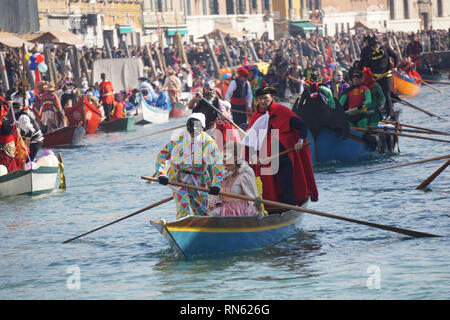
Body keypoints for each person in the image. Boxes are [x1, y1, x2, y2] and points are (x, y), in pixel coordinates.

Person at [243, 86, 318, 212]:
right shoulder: (257, 116)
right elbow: (250, 140)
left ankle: (288, 208)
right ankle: (271, 208)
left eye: (265, 98)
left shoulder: (283, 111)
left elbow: (302, 126)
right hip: (265, 159)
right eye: (260, 99)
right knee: (267, 185)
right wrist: (253, 157)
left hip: (283, 156)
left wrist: (300, 141)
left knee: (286, 182)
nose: (262, 101)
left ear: (272, 98)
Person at [155, 113, 223, 220]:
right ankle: (183, 227)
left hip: (199, 180)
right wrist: (161, 174)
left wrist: (216, 184)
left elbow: (218, 163)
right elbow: (162, 157)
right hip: (178, 179)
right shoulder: (178, 140)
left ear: (202, 128)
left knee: (204, 213)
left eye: (196, 131)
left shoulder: (209, 142)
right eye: (191, 131)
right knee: (183, 208)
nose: (193, 134)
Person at [209, 142, 261, 217]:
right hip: (224, 212)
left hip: (241, 213)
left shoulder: (243, 176)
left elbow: (253, 200)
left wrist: (256, 213)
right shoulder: (223, 176)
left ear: (235, 158)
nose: (223, 160)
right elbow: (216, 200)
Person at [360, 37, 398, 118]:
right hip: (376, 78)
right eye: (373, 47)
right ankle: (380, 112)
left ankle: (390, 114)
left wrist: (396, 66)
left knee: (386, 94)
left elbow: (396, 57)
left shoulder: (386, 49)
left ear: (378, 44)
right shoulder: (369, 53)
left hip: (387, 75)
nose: (375, 48)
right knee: (379, 95)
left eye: (375, 46)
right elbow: (366, 65)